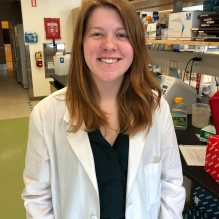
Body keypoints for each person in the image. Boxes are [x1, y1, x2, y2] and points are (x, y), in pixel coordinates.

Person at [21, 0, 186, 218]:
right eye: (97, 34)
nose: (109, 45)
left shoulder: (157, 108)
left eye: (122, 34)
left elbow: (171, 184)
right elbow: (37, 198)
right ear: (81, 42)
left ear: (135, 44)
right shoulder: (46, 114)